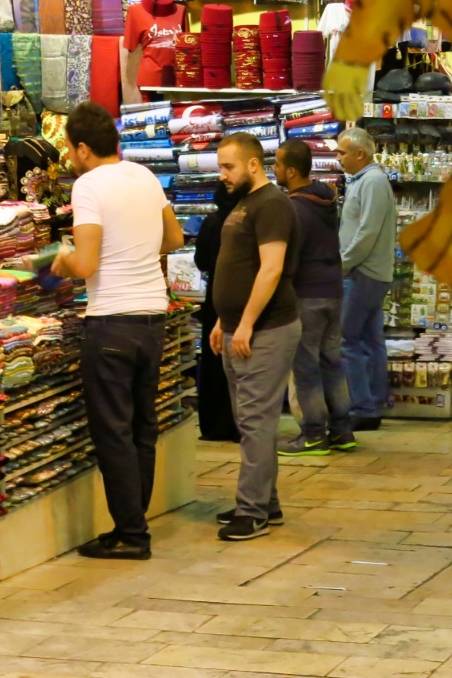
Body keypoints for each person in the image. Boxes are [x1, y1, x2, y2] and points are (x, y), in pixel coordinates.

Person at [47, 101, 185, 561]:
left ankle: (131, 534)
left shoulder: (89, 186)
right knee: (142, 427)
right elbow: (174, 239)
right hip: (152, 315)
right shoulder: (143, 176)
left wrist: (62, 261)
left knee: (114, 432)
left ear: (83, 148)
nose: (70, 158)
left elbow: (85, 263)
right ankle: (134, 524)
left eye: (69, 150)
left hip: (111, 321)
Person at [211, 132, 301, 540]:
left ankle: (253, 512)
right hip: (238, 329)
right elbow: (238, 267)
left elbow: (271, 269)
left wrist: (245, 322)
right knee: (250, 421)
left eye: (228, 167)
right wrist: (223, 320)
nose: (222, 175)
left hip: (265, 331)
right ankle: (266, 502)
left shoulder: (273, 204)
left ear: (252, 165)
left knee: (257, 422)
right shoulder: (245, 203)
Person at [274, 140, 356, 457]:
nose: (275, 170)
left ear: (291, 171)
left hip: (307, 294)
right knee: (332, 363)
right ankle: (342, 430)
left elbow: (289, 257)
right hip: (333, 290)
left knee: (306, 368)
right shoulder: (325, 198)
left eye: (278, 165)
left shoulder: (293, 208)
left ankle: (313, 436)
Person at [337, 127, 396, 430]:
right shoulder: (365, 181)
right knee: (371, 341)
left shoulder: (371, 182)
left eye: (342, 152)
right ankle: (373, 404)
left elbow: (367, 232)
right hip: (369, 272)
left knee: (348, 340)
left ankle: (363, 407)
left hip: (362, 273)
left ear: (360, 154)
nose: (339, 158)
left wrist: (344, 263)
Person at [194, 184, 242, 443]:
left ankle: (215, 425)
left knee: (214, 361)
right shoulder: (246, 221)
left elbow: (200, 262)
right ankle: (240, 425)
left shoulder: (212, 222)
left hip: (215, 295)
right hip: (243, 294)